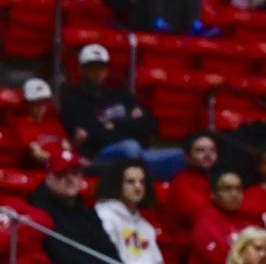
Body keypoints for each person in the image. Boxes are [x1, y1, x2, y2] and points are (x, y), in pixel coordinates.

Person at [59, 43, 186, 180]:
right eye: (92, 68)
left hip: (140, 153)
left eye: (102, 67)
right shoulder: (73, 102)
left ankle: (140, 179)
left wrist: (112, 126)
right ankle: (141, 178)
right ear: (81, 70)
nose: (97, 72)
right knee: (130, 147)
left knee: (181, 156)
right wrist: (130, 123)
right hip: (99, 159)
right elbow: (95, 138)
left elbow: (150, 125)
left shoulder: (120, 95)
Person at [28, 149, 120, 264]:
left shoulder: (85, 210)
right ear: (49, 178)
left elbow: (110, 250)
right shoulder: (39, 211)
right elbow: (61, 256)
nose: (71, 179)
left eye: (75, 173)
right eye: (62, 174)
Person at [94, 160, 164, 264]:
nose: (138, 186)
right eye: (130, 181)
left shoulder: (144, 225)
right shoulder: (104, 217)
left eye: (142, 182)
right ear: (116, 184)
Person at [191, 171, 257, 264]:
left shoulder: (248, 217)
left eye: (238, 188)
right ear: (212, 194)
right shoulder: (205, 225)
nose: (234, 194)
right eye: (227, 189)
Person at [11, 77, 70, 169]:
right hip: (42, 169)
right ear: (27, 103)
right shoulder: (22, 124)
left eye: (45, 102)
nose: (42, 106)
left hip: (64, 166)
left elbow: (66, 146)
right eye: (37, 102)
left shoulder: (53, 122)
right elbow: (37, 154)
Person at [167, 132, 219, 231]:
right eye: (200, 150)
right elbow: (201, 216)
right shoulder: (181, 182)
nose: (208, 154)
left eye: (213, 150)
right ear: (187, 157)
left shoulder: (214, 179)